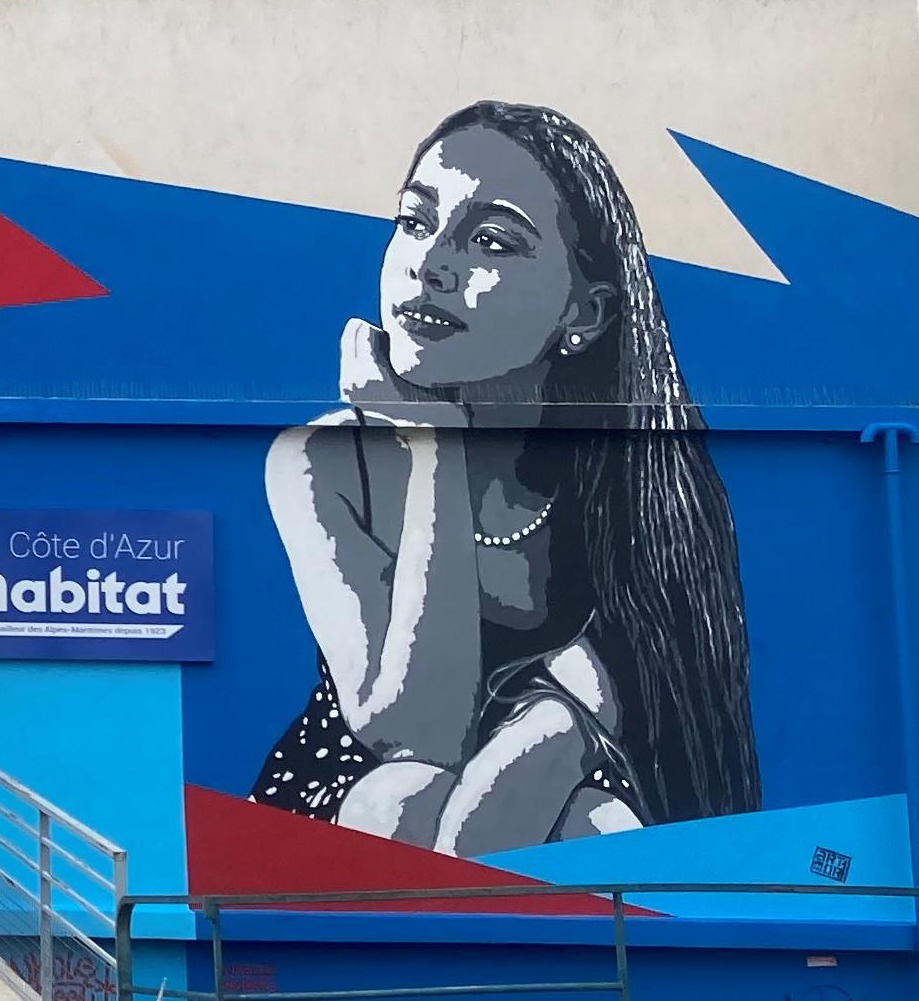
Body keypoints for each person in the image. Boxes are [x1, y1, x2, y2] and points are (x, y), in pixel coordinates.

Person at [250, 101, 760, 858]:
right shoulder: (325, 460)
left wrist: (551, 731)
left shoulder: (633, 484)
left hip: (550, 777)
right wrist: (433, 442)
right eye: (414, 221)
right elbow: (415, 730)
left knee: (596, 822)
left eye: (489, 240)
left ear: (584, 313)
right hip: (354, 798)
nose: (431, 263)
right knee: (400, 798)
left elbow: (596, 719)